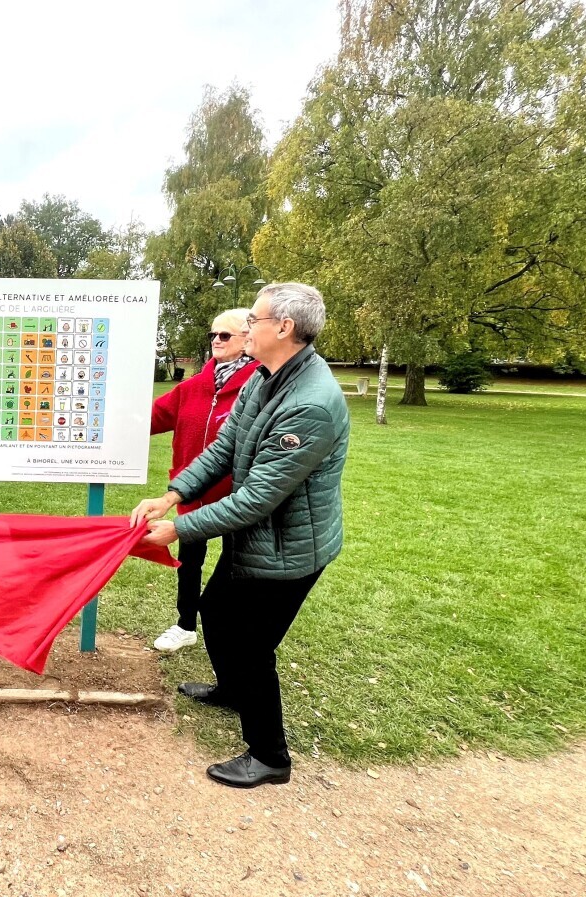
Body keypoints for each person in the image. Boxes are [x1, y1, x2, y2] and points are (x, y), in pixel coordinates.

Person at [130, 283, 350, 789]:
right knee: (215, 612)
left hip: (287, 551)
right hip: (257, 540)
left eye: (254, 319)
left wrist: (178, 528)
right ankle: (232, 690)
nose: (246, 327)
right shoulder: (265, 378)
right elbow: (224, 449)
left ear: (284, 327)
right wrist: (172, 495)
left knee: (251, 645)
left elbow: (256, 499)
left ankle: (270, 756)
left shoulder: (310, 404)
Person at [149, 308, 260, 653]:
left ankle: (233, 625)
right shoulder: (193, 386)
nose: (216, 340)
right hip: (190, 490)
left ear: (246, 339)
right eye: (213, 334)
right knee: (189, 561)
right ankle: (185, 625)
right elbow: (153, 417)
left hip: (235, 496)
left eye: (224, 335)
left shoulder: (260, 385)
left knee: (237, 563)